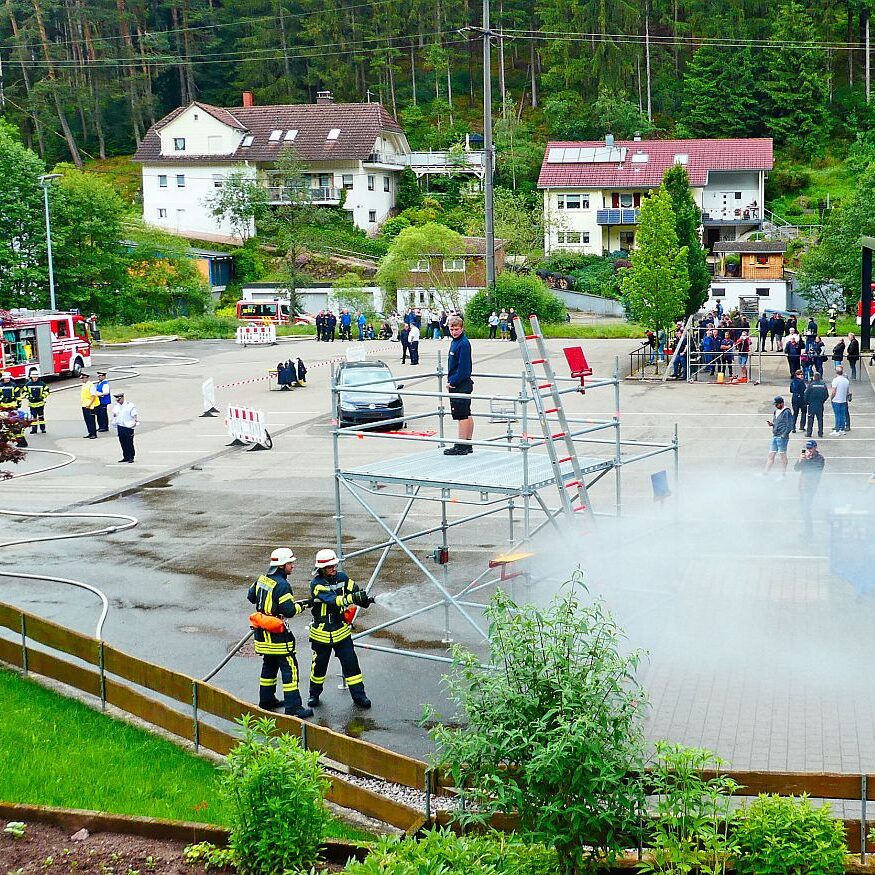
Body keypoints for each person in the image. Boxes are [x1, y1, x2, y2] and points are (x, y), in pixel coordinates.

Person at [247, 548, 314, 718]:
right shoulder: (283, 585)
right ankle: (294, 707)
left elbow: (251, 596)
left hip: (262, 636)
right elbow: (289, 610)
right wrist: (304, 605)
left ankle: (266, 701)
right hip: (278, 638)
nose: (293, 566)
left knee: (269, 668)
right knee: (290, 670)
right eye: (290, 563)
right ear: (282, 566)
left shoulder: (262, 579)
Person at [308, 549, 374, 709]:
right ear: (321, 569)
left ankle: (360, 696)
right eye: (329, 567)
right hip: (322, 634)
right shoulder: (316, 584)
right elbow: (332, 600)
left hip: (341, 632)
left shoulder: (342, 578)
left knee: (352, 665)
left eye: (334, 565)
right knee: (319, 667)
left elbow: (355, 589)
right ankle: (314, 695)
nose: (333, 569)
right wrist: (352, 598)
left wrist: (363, 599)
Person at [443, 314, 474, 456]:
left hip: (460, 384)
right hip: (459, 383)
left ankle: (461, 445)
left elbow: (464, 369)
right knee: (466, 413)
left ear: (462, 328)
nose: (454, 332)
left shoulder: (463, 343)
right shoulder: (455, 342)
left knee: (462, 415)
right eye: (451, 329)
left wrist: (452, 382)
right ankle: (467, 444)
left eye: (456, 329)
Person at [794, 440, 825, 538]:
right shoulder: (805, 457)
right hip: (802, 485)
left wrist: (807, 460)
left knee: (806, 509)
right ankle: (807, 531)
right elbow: (796, 469)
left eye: (810, 448)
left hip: (811, 487)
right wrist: (800, 460)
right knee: (804, 510)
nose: (809, 450)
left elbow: (815, 470)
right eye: (807, 448)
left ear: (815, 448)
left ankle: (808, 534)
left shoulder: (819, 459)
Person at [763, 395, 793, 479]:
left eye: (777, 404)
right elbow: (778, 423)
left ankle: (783, 474)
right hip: (775, 435)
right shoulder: (776, 411)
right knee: (771, 455)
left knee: (782, 455)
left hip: (781, 437)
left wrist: (784, 435)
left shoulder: (787, 412)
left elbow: (790, 425)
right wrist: (772, 424)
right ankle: (765, 473)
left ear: (782, 403)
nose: (776, 406)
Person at [110, 391, 139, 463]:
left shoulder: (130, 405)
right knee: (122, 442)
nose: (118, 401)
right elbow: (115, 415)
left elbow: (134, 414)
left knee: (129, 442)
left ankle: (131, 457)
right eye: (117, 400)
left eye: (119, 399)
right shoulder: (116, 406)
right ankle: (125, 456)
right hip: (120, 426)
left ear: (122, 398)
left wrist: (135, 422)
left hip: (128, 426)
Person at [24, 369, 49, 434]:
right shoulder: (28, 384)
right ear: (31, 377)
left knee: (41, 416)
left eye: (36, 377)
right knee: (33, 417)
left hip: (40, 403)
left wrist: (42, 397)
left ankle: (42, 429)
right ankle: (34, 429)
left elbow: (46, 391)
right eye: (34, 377)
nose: (35, 378)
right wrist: (28, 397)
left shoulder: (42, 384)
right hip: (32, 404)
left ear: (38, 377)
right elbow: (24, 392)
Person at [804, 373, 829, 438]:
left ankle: (809, 433)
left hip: (812, 405)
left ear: (814, 377)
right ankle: (820, 433)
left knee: (810, 419)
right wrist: (822, 401)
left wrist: (807, 402)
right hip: (820, 404)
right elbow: (826, 395)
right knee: (820, 419)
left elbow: (806, 395)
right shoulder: (823, 385)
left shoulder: (811, 385)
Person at [829, 365, 850, 435]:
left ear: (836, 372)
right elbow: (847, 392)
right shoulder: (846, 381)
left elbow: (834, 391)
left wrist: (831, 398)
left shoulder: (835, 380)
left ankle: (837, 430)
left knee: (837, 415)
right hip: (843, 400)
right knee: (842, 415)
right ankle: (842, 429)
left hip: (836, 400)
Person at [79, 373, 100, 439]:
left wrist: (90, 404)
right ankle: (90, 433)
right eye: (81, 378)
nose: (82, 380)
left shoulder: (91, 385)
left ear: (86, 378)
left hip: (90, 406)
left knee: (91, 420)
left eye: (83, 378)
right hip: (85, 405)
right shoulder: (84, 385)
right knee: (87, 420)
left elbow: (93, 396)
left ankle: (93, 434)